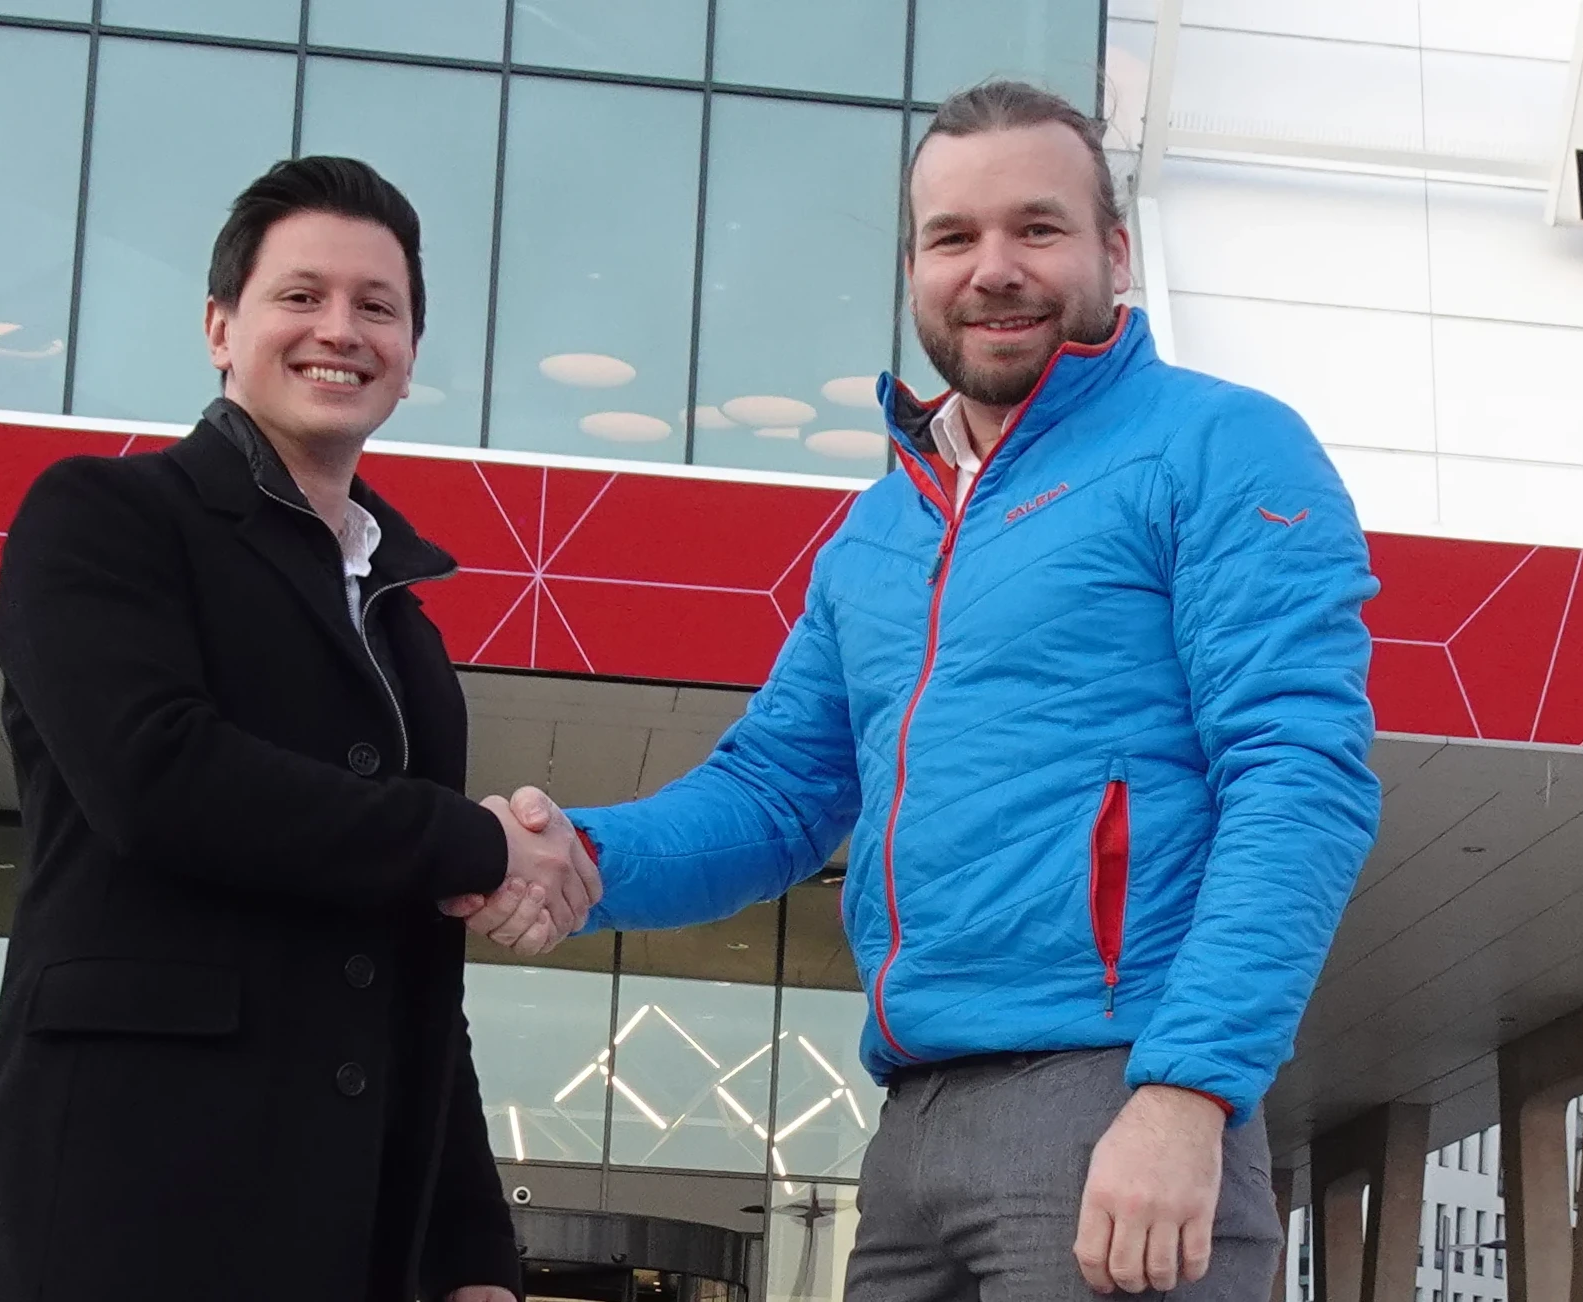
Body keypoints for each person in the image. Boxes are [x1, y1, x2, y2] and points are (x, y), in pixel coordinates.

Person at [452, 80, 1382, 1300]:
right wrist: (572, 855)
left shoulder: (1222, 447)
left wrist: (1189, 1091)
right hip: (911, 1138)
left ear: (1114, 252)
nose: (994, 268)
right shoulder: (879, 532)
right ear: (913, 273)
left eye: (1037, 228)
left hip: (1114, 1099)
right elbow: (775, 795)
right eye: (954, 237)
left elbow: (1299, 778)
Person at [0, 156, 596, 1302]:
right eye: (301, 295)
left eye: (376, 306)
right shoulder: (100, 517)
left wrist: (471, 1254)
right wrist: (480, 843)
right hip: (113, 1221)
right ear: (220, 327)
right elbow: (157, 779)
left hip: (342, 1246)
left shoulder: (409, 635)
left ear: (409, 357)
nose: (339, 329)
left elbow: (418, 979)